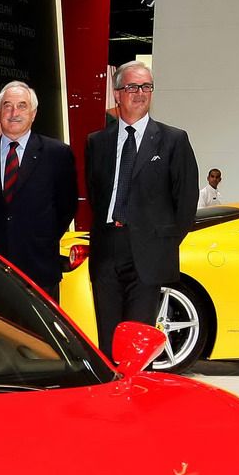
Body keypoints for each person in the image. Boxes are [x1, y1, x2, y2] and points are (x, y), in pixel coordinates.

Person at [83, 60, 200, 355]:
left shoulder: (173, 141)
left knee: (137, 344)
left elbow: (186, 203)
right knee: (108, 342)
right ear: (117, 93)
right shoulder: (97, 142)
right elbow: (96, 195)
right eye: (133, 87)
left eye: (147, 87)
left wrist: (161, 244)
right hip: (106, 251)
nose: (140, 93)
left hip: (148, 256)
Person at [0, 80, 78, 299]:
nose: (14, 113)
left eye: (22, 106)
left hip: (39, 270)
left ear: (33, 113)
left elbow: (67, 206)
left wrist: (42, 239)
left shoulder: (57, 154)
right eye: (7, 106)